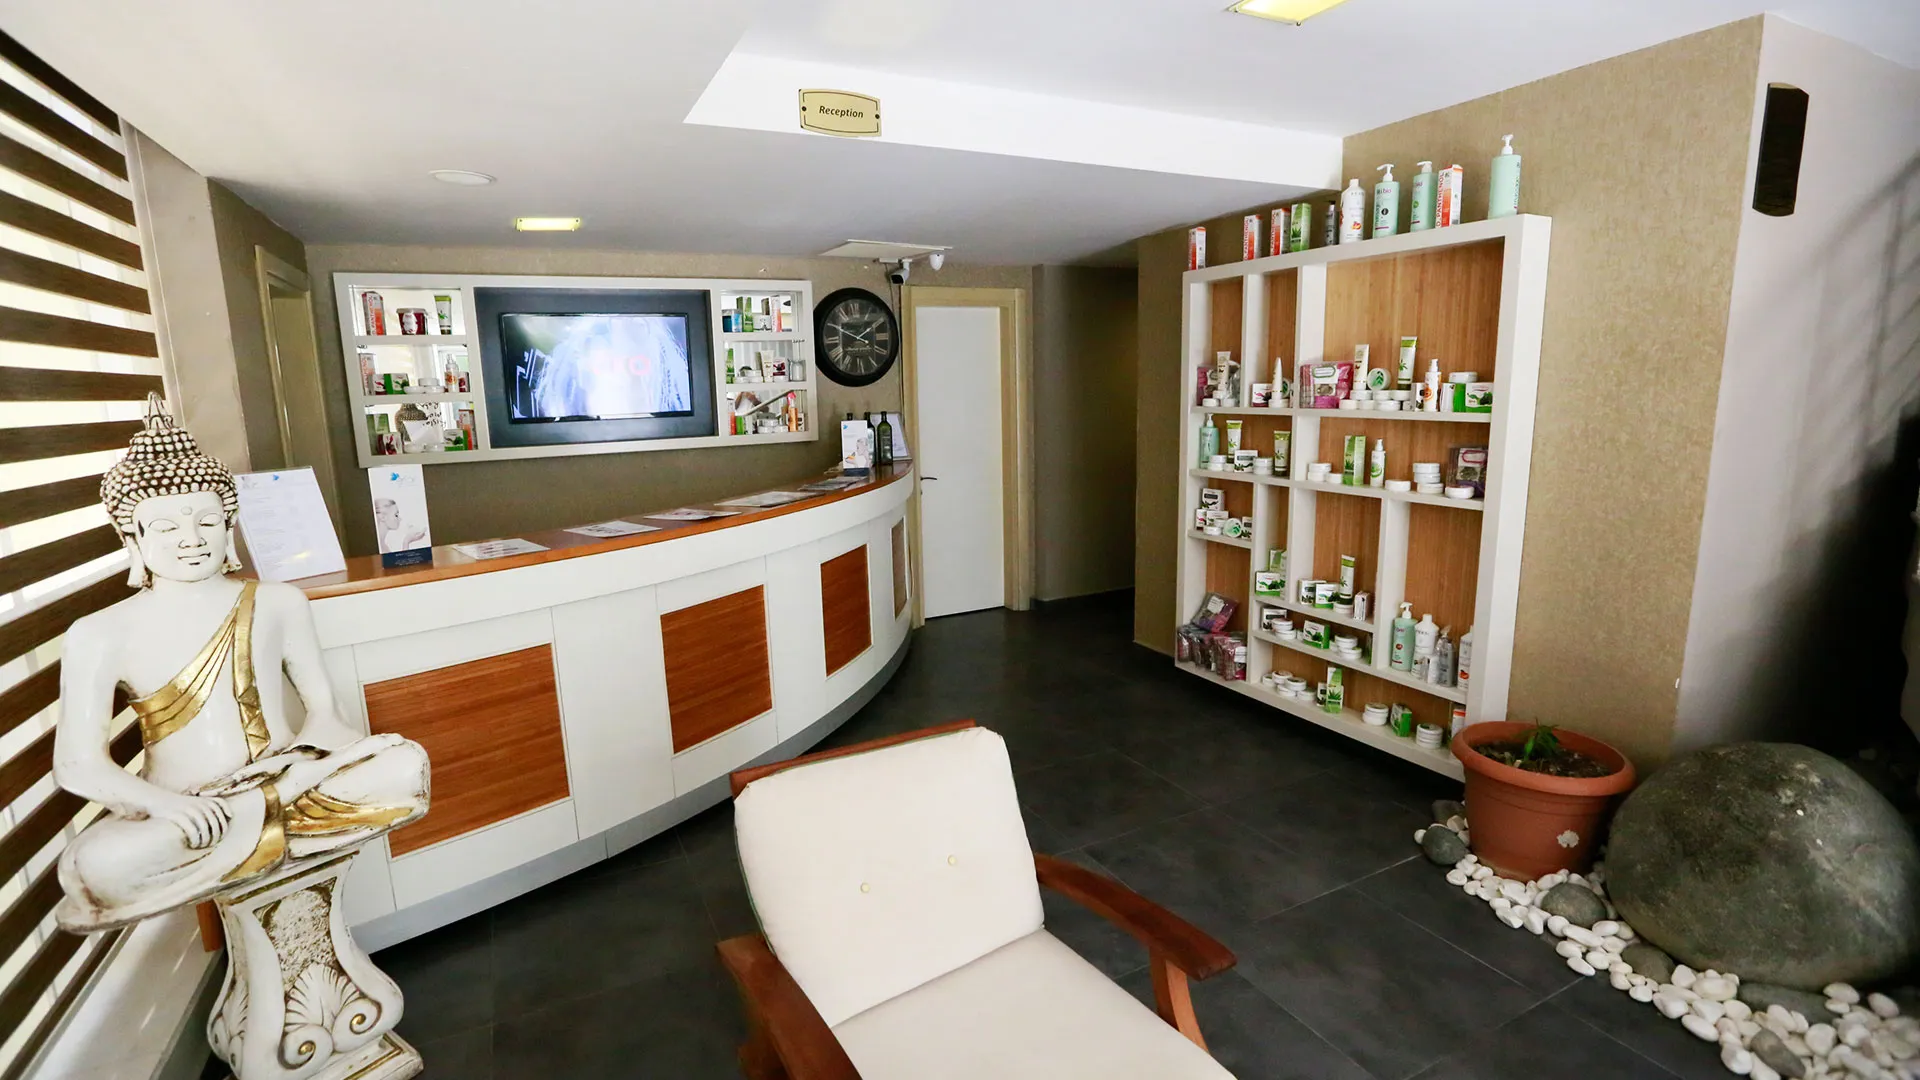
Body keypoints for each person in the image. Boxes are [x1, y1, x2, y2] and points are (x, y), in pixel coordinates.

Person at [52, 398, 430, 932]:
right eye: (166, 528)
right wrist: (165, 807)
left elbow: (326, 712)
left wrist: (304, 761)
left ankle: (260, 818)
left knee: (405, 763)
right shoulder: (99, 632)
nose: (191, 539)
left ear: (228, 526)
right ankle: (254, 827)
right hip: (188, 808)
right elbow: (77, 765)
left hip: (290, 781)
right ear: (132, 538)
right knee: (92, 866)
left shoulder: (277, 602)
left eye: (207, 521)